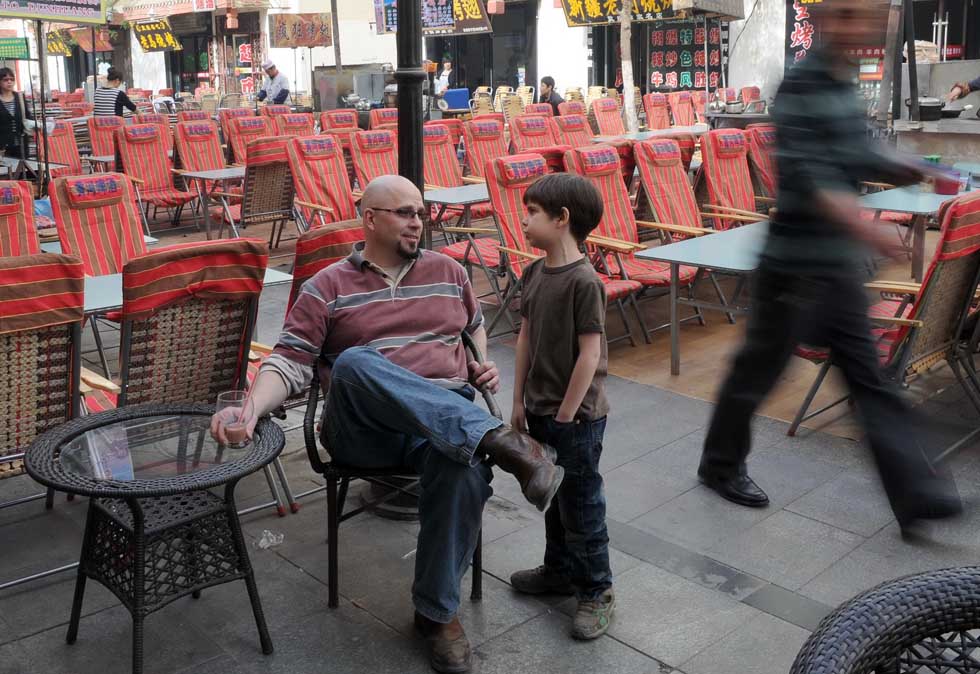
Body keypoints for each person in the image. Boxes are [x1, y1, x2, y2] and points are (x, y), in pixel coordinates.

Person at [211, 175, 563, 674]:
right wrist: (249, 409)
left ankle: (437, 615)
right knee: (356, 362)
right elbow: (289, 362)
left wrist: (479, 361)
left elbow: (472, 328)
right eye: (402, 212)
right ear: (370, 218)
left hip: (440, 428)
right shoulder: (327, 285)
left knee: (461, 469)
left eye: (419, 212)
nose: (416, 221)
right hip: (365, 431)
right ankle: (501, 441)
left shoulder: (448, 272)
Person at [696, 0, 961, 535]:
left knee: (869, 378)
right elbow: (810, 180)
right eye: (843, 14)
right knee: (758, 373)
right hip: (793, 266)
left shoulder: (841, 84)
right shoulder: (801, 86)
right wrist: (867, 227)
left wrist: (918, 168)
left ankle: (915, 495)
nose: (856, 24)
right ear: (818, 19)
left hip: (834, 265)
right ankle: (720, 464)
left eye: (862, 15)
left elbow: (857, 155)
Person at [508, 173, 615, 640]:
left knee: (582, 504)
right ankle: (558, 571)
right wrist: (517, 399)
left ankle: (596, 591)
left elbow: (590, 353)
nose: (524, 220)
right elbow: (525, 338)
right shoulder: (534, 273)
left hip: (578, 418)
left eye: (532, 212)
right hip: (540, 409)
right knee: (551, 497)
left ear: (562, 218)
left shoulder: (584, 281)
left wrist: (567, 415)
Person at [0, 67, 31, 158]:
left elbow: (28, 116)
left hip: (21, 145)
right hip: (2, 147)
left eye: (12, 79)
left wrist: (38, 125)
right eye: (5, 80)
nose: (9, 82)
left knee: (23, 171)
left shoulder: (20, 97)